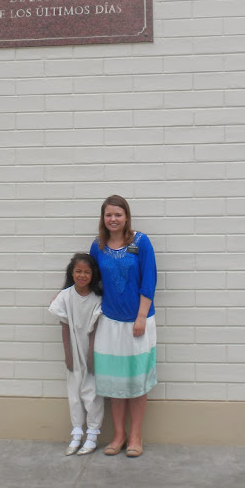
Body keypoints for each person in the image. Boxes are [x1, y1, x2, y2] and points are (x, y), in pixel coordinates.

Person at [90, 195, 157, 458]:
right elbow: (88, 279)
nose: (113, 219)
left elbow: (149, 280)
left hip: (138, 322)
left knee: (136, 380)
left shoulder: (141, 242)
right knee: (115, 382)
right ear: (103, 218)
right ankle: (119, 435)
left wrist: (140, 317)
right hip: (110, 323)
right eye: (109, 215)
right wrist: (64, 296)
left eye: (118, 214)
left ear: (126, 216)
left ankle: (136, 435)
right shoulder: (98, 246)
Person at [49, 253, 104, 456]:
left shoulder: (98, 298)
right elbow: (64, 327)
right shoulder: (65, 296)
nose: (82, 275)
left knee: (92, 393)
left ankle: (92, 435)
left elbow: (96, 328)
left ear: (93, 274)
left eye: (87, 272)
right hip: (74, 349)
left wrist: (91, 355)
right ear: (71, 273)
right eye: (78, 271)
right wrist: (68, 355)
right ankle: (77, 433)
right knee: (74, 392)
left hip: (92, 350)